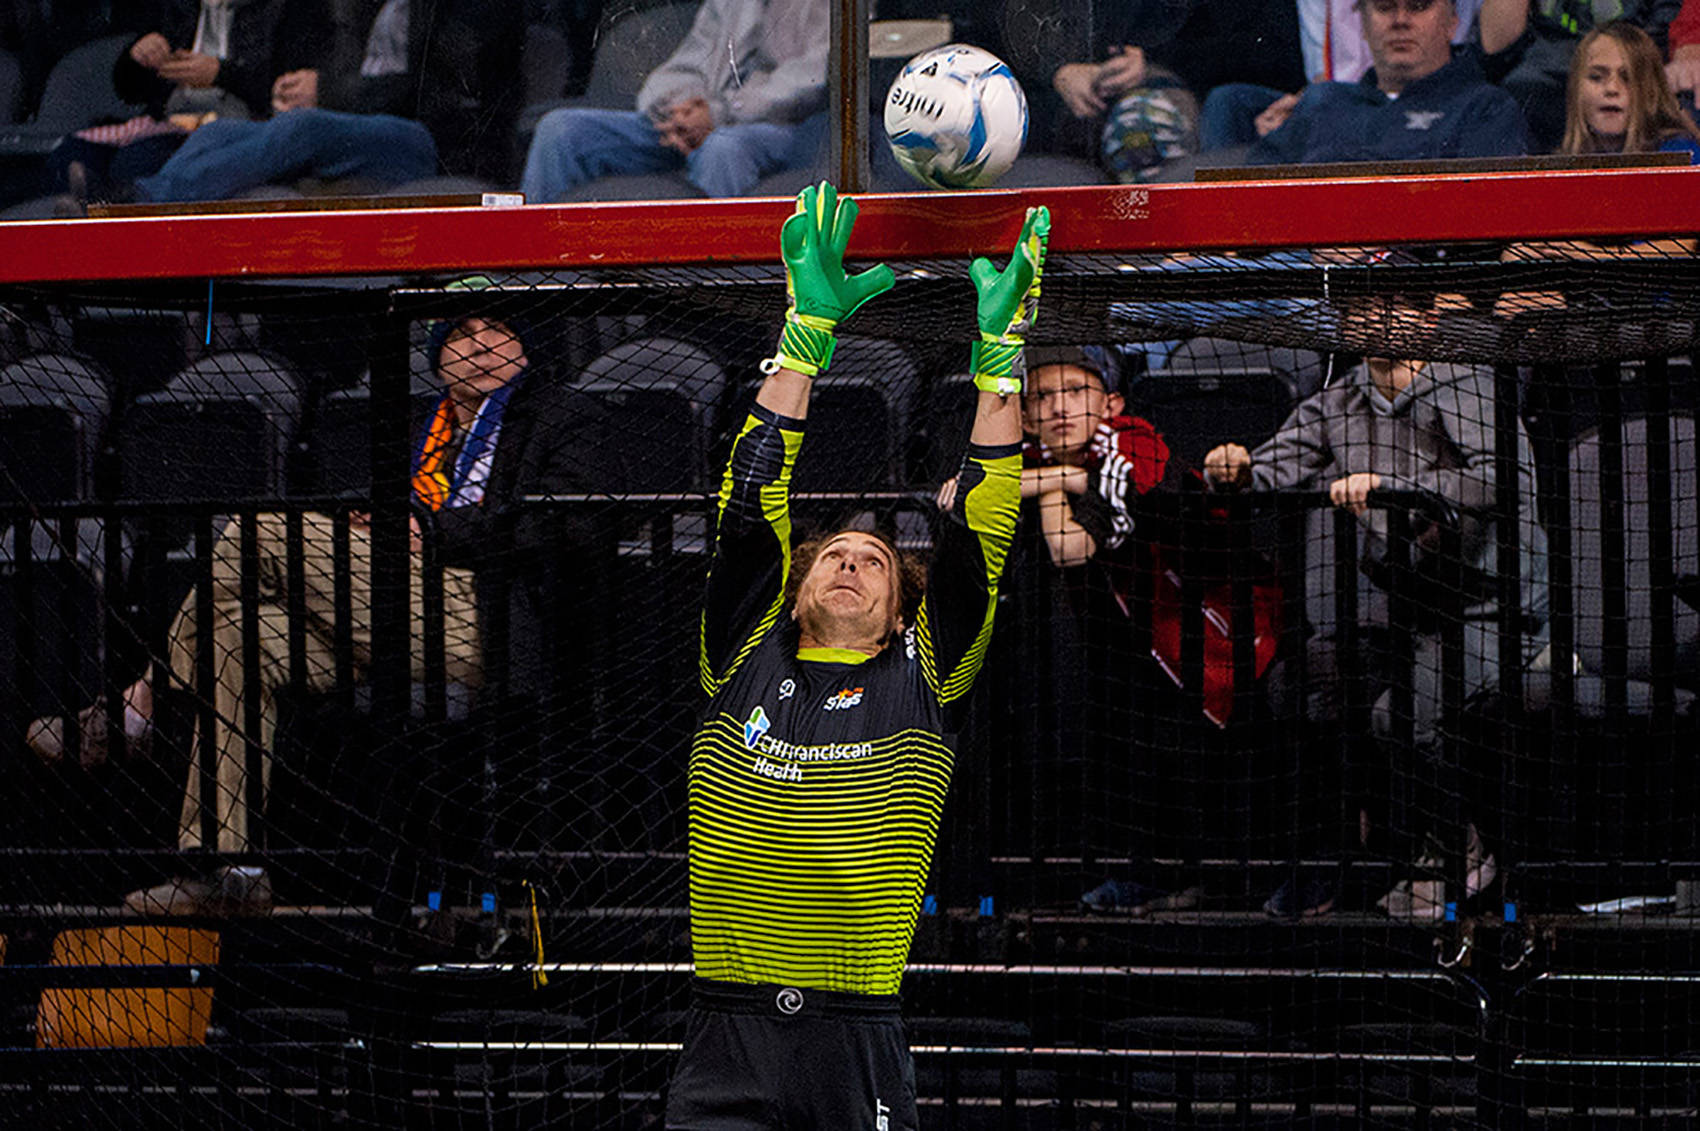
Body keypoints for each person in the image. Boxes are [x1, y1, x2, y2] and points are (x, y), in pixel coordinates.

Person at [27, 282, 619, 915]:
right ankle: (229, 872)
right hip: (393, 608)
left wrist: (432, 528)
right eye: (458, 335)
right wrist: (383, 526)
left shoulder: (564, 415)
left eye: (492, 330)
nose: (476, 346)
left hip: (489, 615)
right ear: (436, 360)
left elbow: (572, 523)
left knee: (259, 530)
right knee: (237, 637)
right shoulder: (425, 432)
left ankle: (137, 707)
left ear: (521, 345)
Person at [666, 183, 1037, 1131]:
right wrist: (803, 340)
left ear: (897, 605)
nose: (847, 559)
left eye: (874, 560)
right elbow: (749, 505)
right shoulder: (739, 656)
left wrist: (1000, 367)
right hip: (725, 1037)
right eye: (831, 552)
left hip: (855, 1035)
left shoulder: (925, 674)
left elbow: (982, 541)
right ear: (797, 588)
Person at [1202, 292, 1549, 919]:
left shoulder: (1468, 384)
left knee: (1403, 717)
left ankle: (1463, 855)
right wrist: (1233, 471)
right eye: (1362, 311)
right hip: (1409, 608)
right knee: (1304, 688)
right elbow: (1270, 470)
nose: (1377, 322)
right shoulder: (1340, 399)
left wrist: (1394, 491)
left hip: (1492, 606)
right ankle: (1373, 852)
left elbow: (1500, 482)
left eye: (1394, 309)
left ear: (1426, 317)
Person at [120, 0, 522, 203]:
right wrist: (299, 86)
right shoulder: (358, 8)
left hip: (435, 141)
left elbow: (446, 92)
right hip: (355, 129)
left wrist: (328, 93)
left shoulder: (469, 8)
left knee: (304, 128)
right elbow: (326, 67)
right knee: (219, 133)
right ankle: (141, 196)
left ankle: (145, 206)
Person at [521, 0, 829, 201]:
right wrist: (683, 110)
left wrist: (720, 113)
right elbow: (686, 64)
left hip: (785, 129)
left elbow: (811, 79)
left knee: (722, 147)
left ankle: (708, 287)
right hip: (700, 121)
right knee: (561, 129)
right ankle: (532, 273)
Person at [49, 0, 330, 203]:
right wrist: (138, 55)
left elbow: (289, 90)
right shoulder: (180, 7)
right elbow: (128, 90)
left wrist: (220, 74)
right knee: (69, 155)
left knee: (136, 160)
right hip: (169, 120)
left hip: (238, 125)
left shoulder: (288, 9)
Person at [1001, 0, 1305, 183]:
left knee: (1144, 121)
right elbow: (987, 33)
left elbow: (1266, 53)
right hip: (1050, 121)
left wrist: (1150, 63)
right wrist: (1058, 71)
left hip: (1185, 104)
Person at [1241, 0, 1532, 166]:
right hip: (1296, 264)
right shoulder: (1325, 101)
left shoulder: (1485, 109)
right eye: (1384, 7)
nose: (1400, 20)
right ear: (1364, 25)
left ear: (1452, 22)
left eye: (1418, 6)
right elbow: (1241, 202)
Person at [1197, 0, 1485, 151]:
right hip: (1339, 93)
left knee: (1322, 104)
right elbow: (1323, 69)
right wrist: (1301, 102)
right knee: (1228, 101)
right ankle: (1221, 230)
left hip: (1423, 91)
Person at [1477, 0, 1682, 149]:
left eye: (1624, 79)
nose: (1612, 89)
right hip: (1541, 74)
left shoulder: (1683, 151)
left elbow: (1664, 31)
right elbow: (1495, 47)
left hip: (1640, 53)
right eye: (1596, 78)